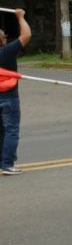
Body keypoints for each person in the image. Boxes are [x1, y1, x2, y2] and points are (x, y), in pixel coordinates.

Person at [0, 9, 32, 175]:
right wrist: (20, 17)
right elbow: (26, 35)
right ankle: (7, 164)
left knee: (2, 131)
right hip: (9, 97)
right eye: (4, 37)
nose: (6, 38)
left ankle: (2, 162)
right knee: (11, 130)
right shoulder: (6, 52)